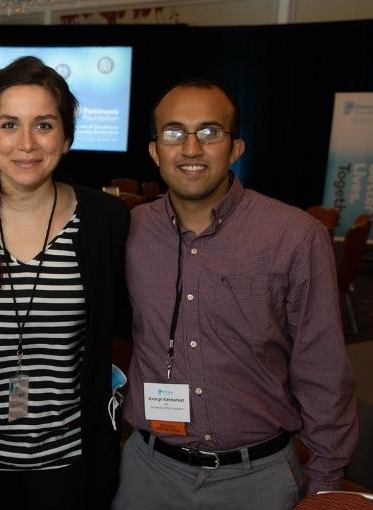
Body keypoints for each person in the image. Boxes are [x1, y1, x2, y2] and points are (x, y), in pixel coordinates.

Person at [112, 79, 357, 510]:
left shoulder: (294, 237)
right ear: (155, 151)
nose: (191, 148)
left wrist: (326, 480)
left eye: (210, 132)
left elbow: (323, 367)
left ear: (236, 148)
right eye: (174, 133)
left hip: (258, 481)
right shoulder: (128, 231)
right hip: (148, 475)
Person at [0, 56, 130, 510]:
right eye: (9, 125)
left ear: (67, 137)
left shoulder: (105, 220)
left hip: (67, 461)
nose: (25, 143)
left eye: (43, 125)